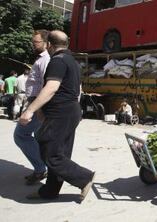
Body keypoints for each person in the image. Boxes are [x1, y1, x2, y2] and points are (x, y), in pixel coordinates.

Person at [20, 30, 95, 201]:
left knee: (49, 152)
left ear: (49, 45)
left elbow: (52, 87)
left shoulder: (57, 61)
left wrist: (30, 110)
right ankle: (50, 191)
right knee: (60, 152)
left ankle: (85, 178)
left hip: (61, 112)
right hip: (70, 110)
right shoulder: (73, 62)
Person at [14, 30, 50, 185]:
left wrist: (38, 109)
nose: (33, 45)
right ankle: (44, 167)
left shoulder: (46, 60)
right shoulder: (42, 59)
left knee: (21, 135)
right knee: (38, 138)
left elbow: (46, 86)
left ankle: (42, 168)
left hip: (37, 106)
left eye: (36, 42)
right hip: (35, 104)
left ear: (47, 43)